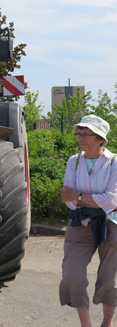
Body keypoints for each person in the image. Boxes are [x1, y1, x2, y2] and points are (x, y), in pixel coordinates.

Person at [60, 114, 117, 327]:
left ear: (100, 138)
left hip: (111, 224)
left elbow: (112, 199)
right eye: (79, 133)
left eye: (87, 134)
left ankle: (107, 323)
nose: (81, 137)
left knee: (108, 280)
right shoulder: (73, 161)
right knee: (72, 275)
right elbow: (68, 199)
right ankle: (86, 325)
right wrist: (96, 201)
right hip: (80, 223)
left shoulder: (114, 162)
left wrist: (81, 197)